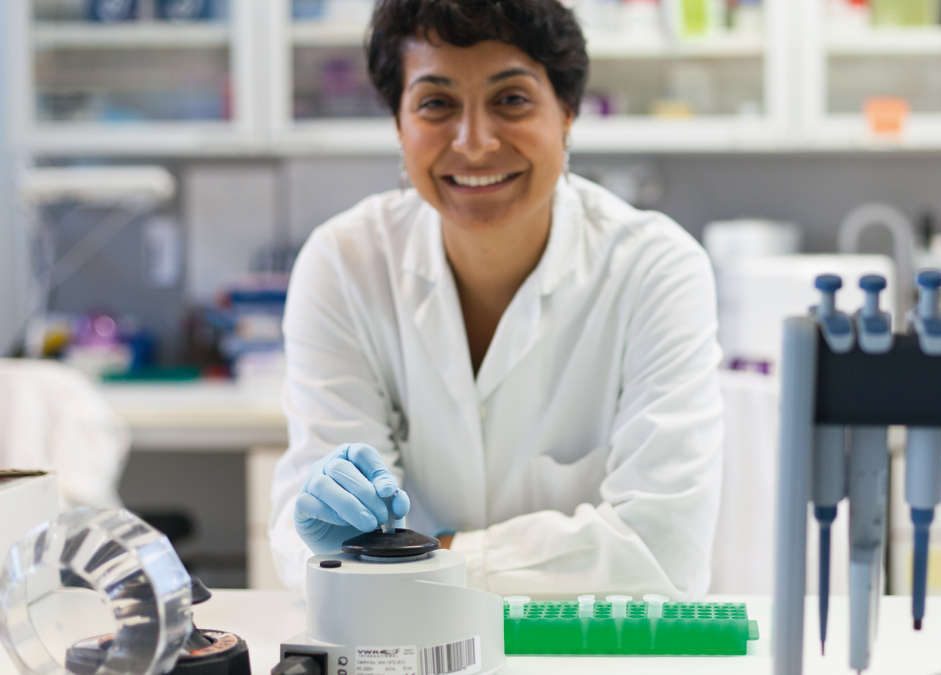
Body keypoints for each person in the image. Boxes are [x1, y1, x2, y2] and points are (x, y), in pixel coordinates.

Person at [269, 0, 723, 599]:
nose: (475, 143)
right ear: (399, 126)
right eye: (436, 103)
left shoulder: (655, 269)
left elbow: (665, 550)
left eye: (511, 100)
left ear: (566, 114)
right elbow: (317, 547)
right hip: (408, 645)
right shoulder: (345, 265)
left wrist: (428, 556)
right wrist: (327, 541)